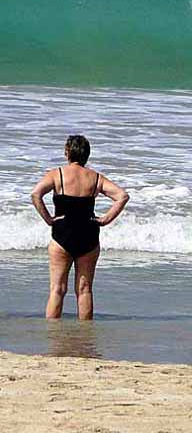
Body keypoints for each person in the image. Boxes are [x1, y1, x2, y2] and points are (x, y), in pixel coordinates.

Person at [31, 134, 129, 320]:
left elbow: (36, 195)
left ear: (67, 153)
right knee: (84, 290)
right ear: (87, 155)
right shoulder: (95, 177)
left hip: (62, 235)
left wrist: (49, 219)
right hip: (88, 236)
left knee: (57, 289)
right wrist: (106, 219)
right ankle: (85, 339)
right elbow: (122, 196)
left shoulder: (57, 174)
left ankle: (53, 335)